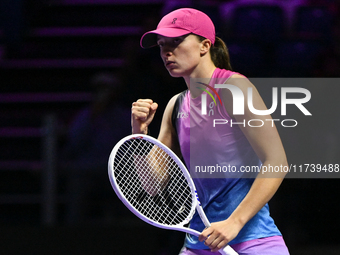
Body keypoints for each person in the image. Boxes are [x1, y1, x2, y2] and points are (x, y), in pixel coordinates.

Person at [132, 8, 289, 255]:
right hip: (199, 244)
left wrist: (234, 222)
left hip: (253, 242)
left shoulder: (233, 87)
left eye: (176, 41)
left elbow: (277, 161)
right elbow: (152, 186)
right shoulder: (175, 106)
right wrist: (139, 132)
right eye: (162, 45)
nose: (166, 52)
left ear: (205, 45)